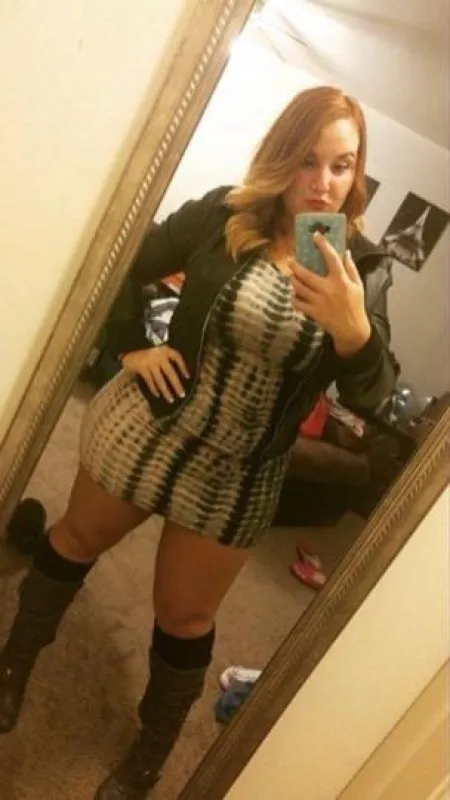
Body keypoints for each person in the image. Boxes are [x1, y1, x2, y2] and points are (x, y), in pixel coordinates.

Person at [0, 85, 399, 799]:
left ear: (357, 172)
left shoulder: (363, 271)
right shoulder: (225, 215)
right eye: (307, 160)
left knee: (185, 617)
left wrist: (355, 332)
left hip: (239, 474)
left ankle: (149, 759)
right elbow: (125, 257)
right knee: (74, 540)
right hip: (150, 424)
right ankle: (12, 667)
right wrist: (129, 345)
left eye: (342, 166)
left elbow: (375, 398)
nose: (323, 183)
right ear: (281, 157)